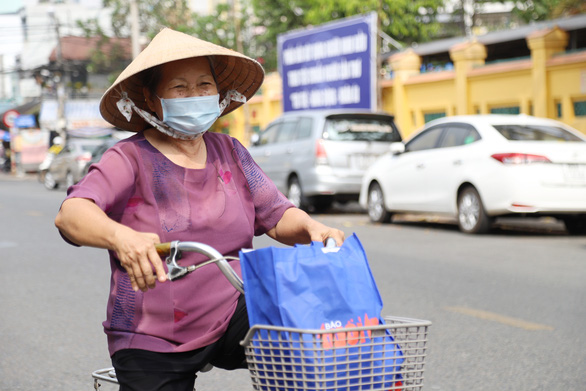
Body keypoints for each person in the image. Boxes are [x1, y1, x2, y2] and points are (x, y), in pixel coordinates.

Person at [54, 28, 345, 391]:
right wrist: (121, 237)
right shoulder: (128, 158)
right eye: (179, 88)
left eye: (204, 85)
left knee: (314, 340)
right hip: (151, 332)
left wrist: (312, 229)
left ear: (219, 94)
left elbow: (277, 213)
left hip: (232, 311)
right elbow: (71, 214)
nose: (194, 96)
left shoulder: (231, 151)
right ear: (151, 98)